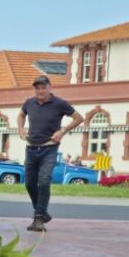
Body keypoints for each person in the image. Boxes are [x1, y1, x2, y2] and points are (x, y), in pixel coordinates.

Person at [16, 75, 86, 232]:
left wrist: (62, 131)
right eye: (37, 88)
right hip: (31, 148)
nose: (40, 91)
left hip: (49, 148)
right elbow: (21, 115)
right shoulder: (29, 103)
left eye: (43, 87)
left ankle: (39, 218)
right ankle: (42, 212)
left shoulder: (59, 103)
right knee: (29, 183)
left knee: (44, 181)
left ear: (49, 87)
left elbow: (78, 118)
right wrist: (21, 128)